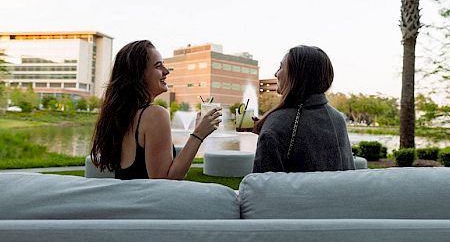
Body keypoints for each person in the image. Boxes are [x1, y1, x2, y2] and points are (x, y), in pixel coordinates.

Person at [90, 40, 222, 180]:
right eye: (158, 66)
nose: (166, 71)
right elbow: (165, 180)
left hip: (127, 200)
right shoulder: (155, 115)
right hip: (148, 201)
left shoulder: (122, 116)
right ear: (139, 74)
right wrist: (199, 134)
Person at [252, 45, 355, 173]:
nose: (276, 74)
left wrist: (270, 131)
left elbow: (262, 187)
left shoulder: (276, 125)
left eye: (280, 67)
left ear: (296, 75)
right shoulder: (337, 119)